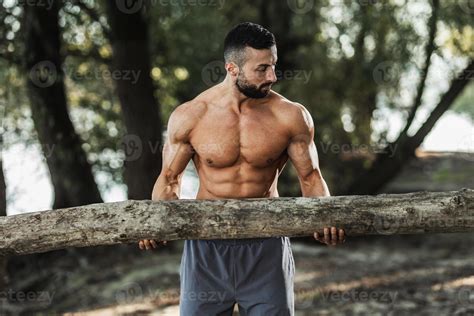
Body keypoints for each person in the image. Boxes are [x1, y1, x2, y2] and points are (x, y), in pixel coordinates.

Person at [139, 22, 345, 316]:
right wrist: (155, 221)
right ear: (232, 68)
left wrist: (326, 215)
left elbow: (311, 177)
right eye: (261, 69)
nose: (272, 77)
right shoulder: (191, 116)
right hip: (206, 247)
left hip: (267, 245)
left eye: (273, 66)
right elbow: (170, 180)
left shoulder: (290, 116)